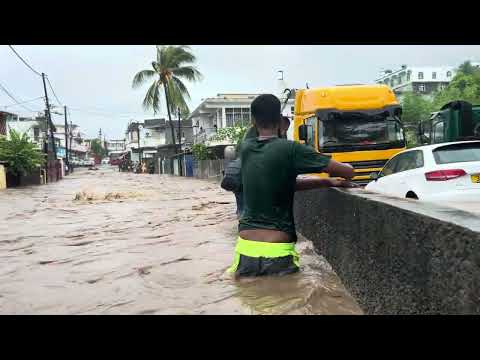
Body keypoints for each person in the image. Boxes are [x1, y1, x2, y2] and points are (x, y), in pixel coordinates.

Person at [227, 94, 355, 278]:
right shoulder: (291, 149)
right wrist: (337, 176)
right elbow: (347, 172)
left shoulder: (247, 149)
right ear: (280, 119)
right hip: (278, 253)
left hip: (245, 251)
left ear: (253, 121)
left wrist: (325, 181)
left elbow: (282, 183)